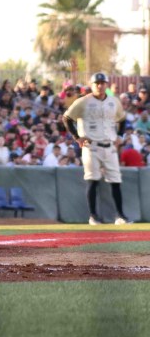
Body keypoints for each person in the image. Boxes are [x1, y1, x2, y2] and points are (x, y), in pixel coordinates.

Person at [61, 72, 132, 225]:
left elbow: (122, 119)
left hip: (110, 146)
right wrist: (76, 137)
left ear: (106, 84)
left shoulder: (114, 101)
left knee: (115, 181)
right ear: (92, 85)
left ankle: (120, 216)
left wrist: (119, 136)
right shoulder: (83, 101)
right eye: (96, 83)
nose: (100, 86)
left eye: (102, 83)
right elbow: (66, 118)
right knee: (92, 180)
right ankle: (93, 216)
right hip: (91, 145)